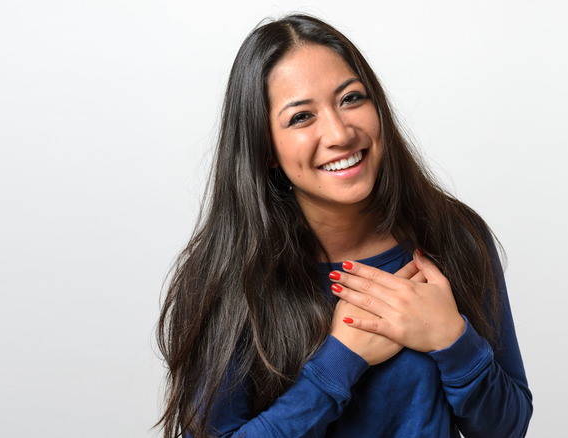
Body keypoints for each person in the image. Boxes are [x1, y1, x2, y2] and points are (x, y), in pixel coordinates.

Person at [157, 13, 532, 438]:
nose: (339, 132)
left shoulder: (454, 236)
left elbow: (508, 428)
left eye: (351, 99)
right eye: (301, 117)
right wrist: (338, 363)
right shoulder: (225, 279)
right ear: (265, 148)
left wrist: (452, 339)